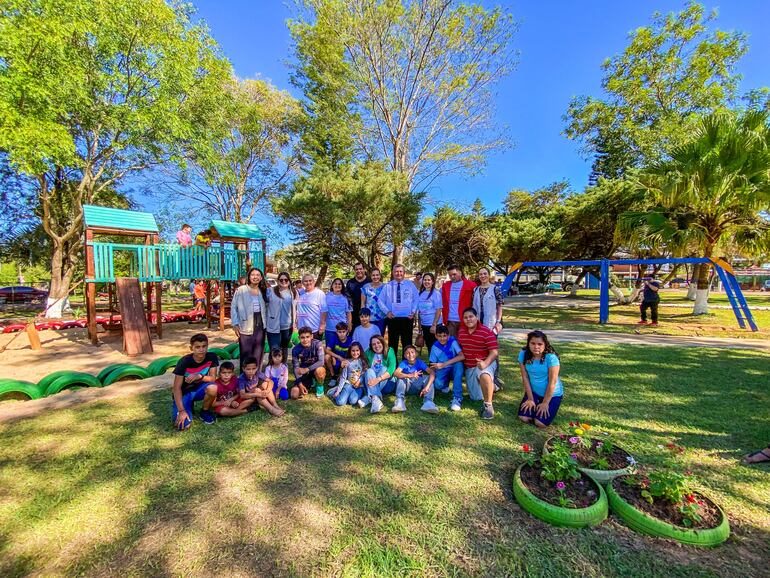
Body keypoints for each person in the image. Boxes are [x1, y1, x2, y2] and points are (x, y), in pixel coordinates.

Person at [456, 307, 499, 420]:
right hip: (470, 367)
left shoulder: (486, 332)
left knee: (484, 374)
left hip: (485, 362)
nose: (468, 319)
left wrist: (485, 363)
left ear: (477, 317)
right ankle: (493, 386)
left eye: (471, 316)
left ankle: (488, 406)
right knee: (476, 397)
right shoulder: (461, 332)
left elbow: (494, 352)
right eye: (465, 317)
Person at [171, 333, 220, 429]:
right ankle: (187, 406)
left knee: (213, 387)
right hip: (184, 393)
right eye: (197, 347)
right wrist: (181, 411)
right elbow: (176, 389)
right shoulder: (184, 361)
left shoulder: (212, 357)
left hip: (199, 390)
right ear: (191, 348)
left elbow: (213, 378)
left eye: (204, 346)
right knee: (183, 425)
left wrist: (200, 376)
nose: (201, 349)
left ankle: (204, 411)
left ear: (207, 346)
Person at [518, 330, 563, 427]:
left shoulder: (551, 358)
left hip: (552, 395)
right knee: (524, 418)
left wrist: (545, 403)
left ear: (545, 345)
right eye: (532, 343)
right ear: (528, 343)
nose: (536, 347)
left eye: (540, 344)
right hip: (534, 392)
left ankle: (546, 406)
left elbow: (552, 382)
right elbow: (525, 377)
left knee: (540, 423)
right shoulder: (523, 353)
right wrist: (530, 399)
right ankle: (534, 404)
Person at [231, 267, 269, 372]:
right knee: (246, 351)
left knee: (258, 351)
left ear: (261, 278)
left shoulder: (263, 291)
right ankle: (244, 377)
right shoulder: (241, 290)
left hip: (261, 323)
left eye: (257, 275)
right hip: (245, 323)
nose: (255, 277)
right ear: (249, 276)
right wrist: (235, 323)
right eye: (253, 275)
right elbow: (234, 307)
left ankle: (256, 375)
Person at [472, 267, 504, 389]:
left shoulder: (495, 289)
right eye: (480, 274)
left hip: (491, 325)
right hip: (478, 325)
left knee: (493, 352)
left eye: (485, 273)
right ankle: (482, 376)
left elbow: (500, 306)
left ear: (488, 275)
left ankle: (495, 379)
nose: (483, 276)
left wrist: (498, 322)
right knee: (481, 350)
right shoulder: (476, 289)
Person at [381, 264, 419, 358]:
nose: (398, 273)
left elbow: (416, 299)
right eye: (396, 271)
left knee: (407, 343)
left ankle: (406, 365)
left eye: (400, 271)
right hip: (393, 318)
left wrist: (413, 311)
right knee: (392, 344)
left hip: (407, 318)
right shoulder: (387, 286)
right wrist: (387, 312)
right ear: (393, 273)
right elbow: (380, 300)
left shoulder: (410, 285)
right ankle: (393, 366)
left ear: (404, 273)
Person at [429, 324, 465, 412]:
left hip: (453, 367)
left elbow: (462, 356)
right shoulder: (435, 347)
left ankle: (457, 397)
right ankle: (445, 385)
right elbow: (432, 365)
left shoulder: (453, 342)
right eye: (439, 336)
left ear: (448, 335)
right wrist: (430, 381)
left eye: (445, 336)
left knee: (459, 365)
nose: (442, 338)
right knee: (438, 385)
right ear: (436, 336)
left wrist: (444, 364)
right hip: (442, 370)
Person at [393, 344, 438, 414]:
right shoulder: (404, 363)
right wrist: (409, 375)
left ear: (416, 353)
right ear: (405, 356)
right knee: (401, 378)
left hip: (419, 388)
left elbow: (432, 373)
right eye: (407, 353)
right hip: (407, 387)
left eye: (412, 352)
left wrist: (427, 386)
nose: (410, 354)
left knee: (428, 378)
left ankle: (428, 402)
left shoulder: (420, 362)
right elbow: (395, 373)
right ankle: (400, 401)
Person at [359, 335, 397, 413]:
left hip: (387, 384)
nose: (376, 345)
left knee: (384, 368)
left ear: (382, 342)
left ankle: (369, 397)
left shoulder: (390, 351)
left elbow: (391, 370)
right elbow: (360, 361)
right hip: (372, 382)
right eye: (373, 344)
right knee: (369, 370)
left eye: (378, 342)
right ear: (371, 346)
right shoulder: (369, 352)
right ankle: (375, 398)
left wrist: (378, 379)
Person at [266, 271, 297, 363]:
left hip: (287, 326)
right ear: (278, 281)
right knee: (274, 349)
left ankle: (283, 367)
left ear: (289, 281)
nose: (284, 281)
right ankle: (271, 369)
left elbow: (297, 308)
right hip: (273, 326)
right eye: (281, 280)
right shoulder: (270, 291)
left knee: (284, 348)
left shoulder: (293, 292)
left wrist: (295, 322)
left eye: (286, 279)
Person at [291, 326, 327, 398]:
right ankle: (309, 382)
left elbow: (321, 362)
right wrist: (300, 385)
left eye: (307, 337)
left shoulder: (318, 344)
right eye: (302, 337)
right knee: (294, 394)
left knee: (320, 370)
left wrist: (307, 369)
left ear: (311, 336)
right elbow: (296, 368)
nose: (305, 340)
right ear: (299, 338)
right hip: (304, 372)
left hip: (315, 368)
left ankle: (319, 386)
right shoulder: (295, 349)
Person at [441, 264, 476, 337]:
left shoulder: (471, 285)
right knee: (452, 344)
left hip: (466, 319)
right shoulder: (445, 286)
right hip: (450, 321)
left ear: (460, 273)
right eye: (450, 275)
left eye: (454, 274)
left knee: (464, 343)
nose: (452, 277)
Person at [329, 342, 367, 406]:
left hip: (359, 386)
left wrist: (359, 381)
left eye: (357, 350)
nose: (355, 353)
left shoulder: (363, 361)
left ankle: (347, 395)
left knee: (352, 401)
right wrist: (338, 391)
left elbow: (364, 374)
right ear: (350, 351)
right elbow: (343, 377)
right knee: (340, 402)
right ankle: (335, 392)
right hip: (348, 385)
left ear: (360, 351)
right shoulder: (347, 362)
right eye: (353, 351)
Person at [417, 272, 442, 352]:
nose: (426, 282)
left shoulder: (436, 293)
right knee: (429, 347)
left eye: (428, 280)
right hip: (425, 325)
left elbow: (438, 310)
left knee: (436, 348)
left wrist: (434, 325)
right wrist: (420, 326)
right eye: (425, 280)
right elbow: (419, 312)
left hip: (434, 325)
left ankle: (437, 364)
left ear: (432, 282)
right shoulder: (420, 294)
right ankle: (431, 364)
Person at [296, 274, 327, 340]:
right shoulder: (299, 293)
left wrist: (322, 325)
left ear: (314, 281)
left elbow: (324, 311)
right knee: (304, 350)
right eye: (305, 281)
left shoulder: (319, 293)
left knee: (314, 349)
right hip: (302, 329)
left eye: (310, 280)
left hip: (314, 329)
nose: (308, 283)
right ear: (302, 283)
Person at [325, 322, 353, 386]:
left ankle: (341, 376)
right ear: (336, 332)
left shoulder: (350, 340)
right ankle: (333, 376)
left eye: (343, 332)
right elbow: (327, 350)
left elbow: (353, 354)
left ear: (347, 332)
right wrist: (336, 357)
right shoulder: (334, 338)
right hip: (337, 359)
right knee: (327, 357)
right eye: (339, 332)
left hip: (346, 360)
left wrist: (345, 360)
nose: (342, 334)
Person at [360, 268, 388, 334]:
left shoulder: (385, 287)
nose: (375, 277)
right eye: (373, 275)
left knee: (380, 338)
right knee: (369, 338)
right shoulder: (366, 287)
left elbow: (388, 302)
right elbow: (362, 303)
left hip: (382, 318)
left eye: (377, 275)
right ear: (370, 276)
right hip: (369, 318)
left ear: (380, 276)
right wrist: (363, 316)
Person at [325, 278, 352, 342]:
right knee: (329, 349)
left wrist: (349, 324)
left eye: (339, 284)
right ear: (332, 285)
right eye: (335, 284)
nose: (337, 285)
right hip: (329, 328)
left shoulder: (346, 298)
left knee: (341, 349)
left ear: (342, 286)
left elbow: (348, 313)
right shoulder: (327, 296)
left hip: (342, 329)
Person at [346, 262, 371, 329]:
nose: (359, 271)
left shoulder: (370, 281)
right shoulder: (350, 283)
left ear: (364, 269)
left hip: (367, 314)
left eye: (360, 269)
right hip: (354, 315)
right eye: (357, 269)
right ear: (354, 271)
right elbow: (348, 300)